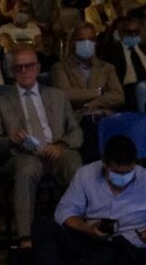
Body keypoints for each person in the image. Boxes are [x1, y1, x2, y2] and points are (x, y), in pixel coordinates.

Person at [22, 135, 146, 265]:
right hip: (92, 241)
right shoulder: (86, 175)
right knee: (42, 225)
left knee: (112, 255)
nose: (123, 177)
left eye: (128, 172)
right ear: (104, 164)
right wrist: (86, 228)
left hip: (128, 251)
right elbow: (64, 212)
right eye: (117, 172)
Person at [0, 46, 82, 265]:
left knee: (75, 164)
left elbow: (77, 132)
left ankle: (78, 229)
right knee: (27, 167)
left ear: (38, 68)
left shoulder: (57, 96)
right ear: (12, 71)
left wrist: (62, 145)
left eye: (29, 66)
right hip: (22, 154)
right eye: (19, 67)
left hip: (55, 150)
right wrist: (10, 140)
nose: (25, 71)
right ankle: (26, 238)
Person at [52, 22, 124, 162]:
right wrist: (98, 93)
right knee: (90, 126)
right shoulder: (60, 68)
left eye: (91, 39)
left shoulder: (107, 68)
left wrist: (93, 103)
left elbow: (119, 96)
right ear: (73, 42)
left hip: (104, 116)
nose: (87, 43)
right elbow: (65, 94)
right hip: (78, 118)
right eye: (82, 40)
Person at [102, 17, 146, 111]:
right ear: (119, 33)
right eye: (129, 32)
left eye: (136, 32)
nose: (133, 35)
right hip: (129, 90)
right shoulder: (112, 53)